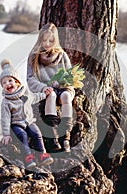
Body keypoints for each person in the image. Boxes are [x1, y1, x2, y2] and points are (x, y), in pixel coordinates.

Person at [27, 22, 74, 152]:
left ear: (55, 40)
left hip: (63, 87)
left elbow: (69, 76)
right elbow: (30, 78)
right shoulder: (34, 56)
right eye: (44, 40)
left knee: (66, 96)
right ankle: (53, 139)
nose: (47, 43)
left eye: (51, 41)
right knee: (51, 95)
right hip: (46, 89)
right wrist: (42, 88)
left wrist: (63, 82)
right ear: (40, 39)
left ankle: (65, 138)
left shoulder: (62, 55)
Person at [0, 58, 53, 169]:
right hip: (16, 124)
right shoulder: (6, 101)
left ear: (17, 82)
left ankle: (42, 154)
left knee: (36, 133)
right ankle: (28, 158)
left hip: (29, 121)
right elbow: (5, 118)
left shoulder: (26, 93)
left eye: (10, 81)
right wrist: (6, 134)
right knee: (22, 136)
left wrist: (45, 94)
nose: (7, 84)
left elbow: (35, 97)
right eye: (4, 82)